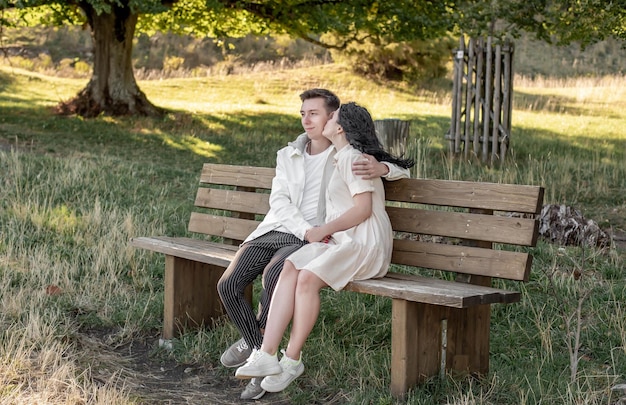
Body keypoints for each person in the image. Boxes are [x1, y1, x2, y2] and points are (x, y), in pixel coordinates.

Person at [216, 89, 410, 400]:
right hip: (298, 231)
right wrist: (310, 230)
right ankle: (263, 350)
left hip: (343, 238)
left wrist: (383, 168)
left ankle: (281, 358)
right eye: (303, 113)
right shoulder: (297, 153)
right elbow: (279, 199)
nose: (308, 119)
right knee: (236, 283)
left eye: (318, 114)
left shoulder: (345, 156)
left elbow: (380, 178)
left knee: (281, 273)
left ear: (337, 123)